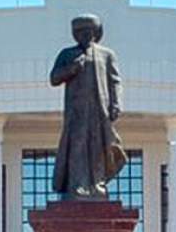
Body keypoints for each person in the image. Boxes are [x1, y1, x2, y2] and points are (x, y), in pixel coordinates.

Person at [49, 14, 127, 199]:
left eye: (89, 32)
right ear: (75, 35)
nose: (85, 35)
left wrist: (116, 103)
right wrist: (71, 69)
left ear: (96, 33)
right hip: (77, 111)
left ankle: (97, 185)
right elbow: (54, 78)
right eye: (80, 32)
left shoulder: (107, 54)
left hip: (100, 111)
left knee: (100, 147)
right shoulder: (67, 54)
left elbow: (115, 81)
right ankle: (77, 186)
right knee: (77, 147)